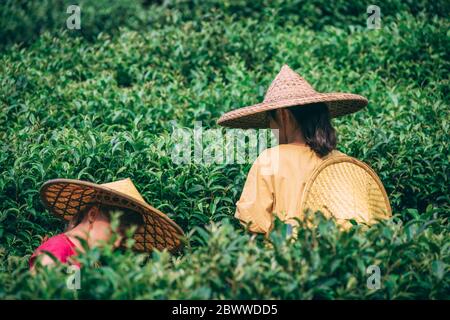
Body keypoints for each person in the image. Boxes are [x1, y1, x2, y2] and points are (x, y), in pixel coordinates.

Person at [217, 64, 389, 235]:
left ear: (284, 115)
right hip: (339, 257)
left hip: (288, 259)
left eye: (270, 121)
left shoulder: (270, 160)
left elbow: (253, 223)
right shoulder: (342, 161)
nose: (271, 129)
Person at [30, 178, 184, 269]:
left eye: (123, 238)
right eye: (115, 231)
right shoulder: (59, 248)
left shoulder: (83, 258)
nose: (117, 242)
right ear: (92, 214)